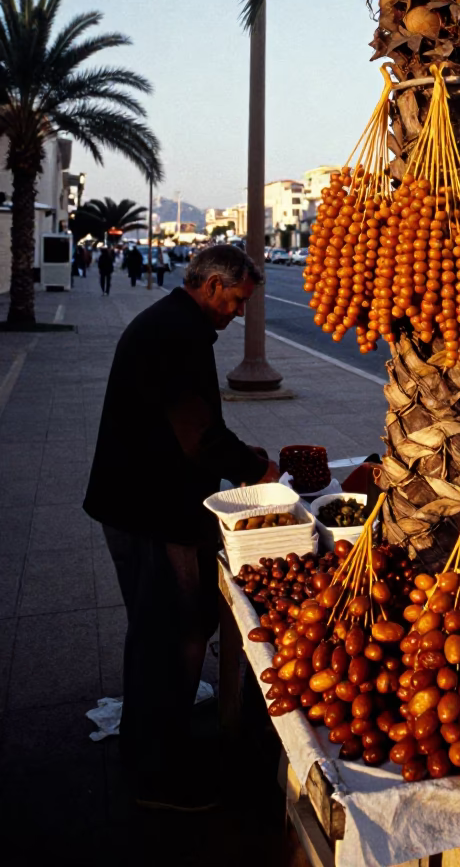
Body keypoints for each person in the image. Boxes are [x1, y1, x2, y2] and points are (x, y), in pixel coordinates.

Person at [83, 245, 278, 811]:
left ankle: (164, 735)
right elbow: (198, 435)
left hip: (146, 501)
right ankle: (154, 772)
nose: (239, 313)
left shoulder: (173, 323)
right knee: (165, 636)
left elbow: (189, 419)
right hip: (147, 509)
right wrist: (254, 468)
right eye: (238, 300)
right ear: (214, 285)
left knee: (177, 624)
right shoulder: (176, 333)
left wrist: (241, 454)